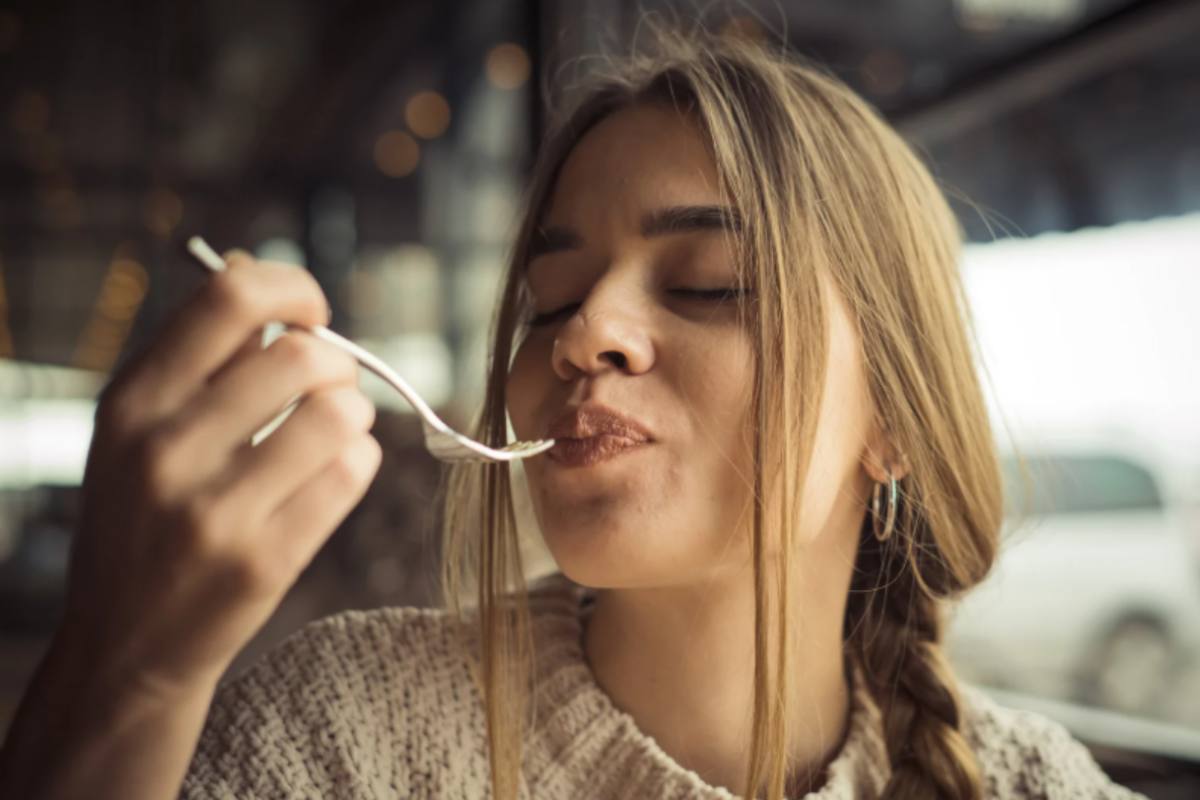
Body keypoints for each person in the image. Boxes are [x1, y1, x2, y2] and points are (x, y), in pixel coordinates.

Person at [0, 24, 1144, 800]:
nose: (582, 330)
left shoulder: (1033, 780)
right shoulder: (343, 734)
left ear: (894, 415)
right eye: (549, 296)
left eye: (706, 284)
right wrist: (124, 673)